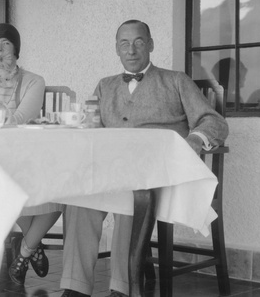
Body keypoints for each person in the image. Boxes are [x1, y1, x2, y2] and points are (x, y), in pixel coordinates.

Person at [60, 20, 229, 297]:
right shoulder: (104, 86)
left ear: (150, 45)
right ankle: (75, 287)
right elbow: (91, 130)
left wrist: (196, 141)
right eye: (124, 43)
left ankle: (122, 289)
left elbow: (215, 122)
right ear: (116, 49)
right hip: (111, 171)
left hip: (158, 174)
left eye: (139, 42)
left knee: (132, 200)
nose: (132, 49)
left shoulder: (176, 81)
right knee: (79, 197)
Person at [0, 23, 65, 285]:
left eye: (5, 44)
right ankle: (32, 246)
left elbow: (19, 119)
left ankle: (26, 249)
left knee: (61, 190)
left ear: (16, 49)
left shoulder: (33, 81)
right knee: (1, 178)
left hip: (27, 156)